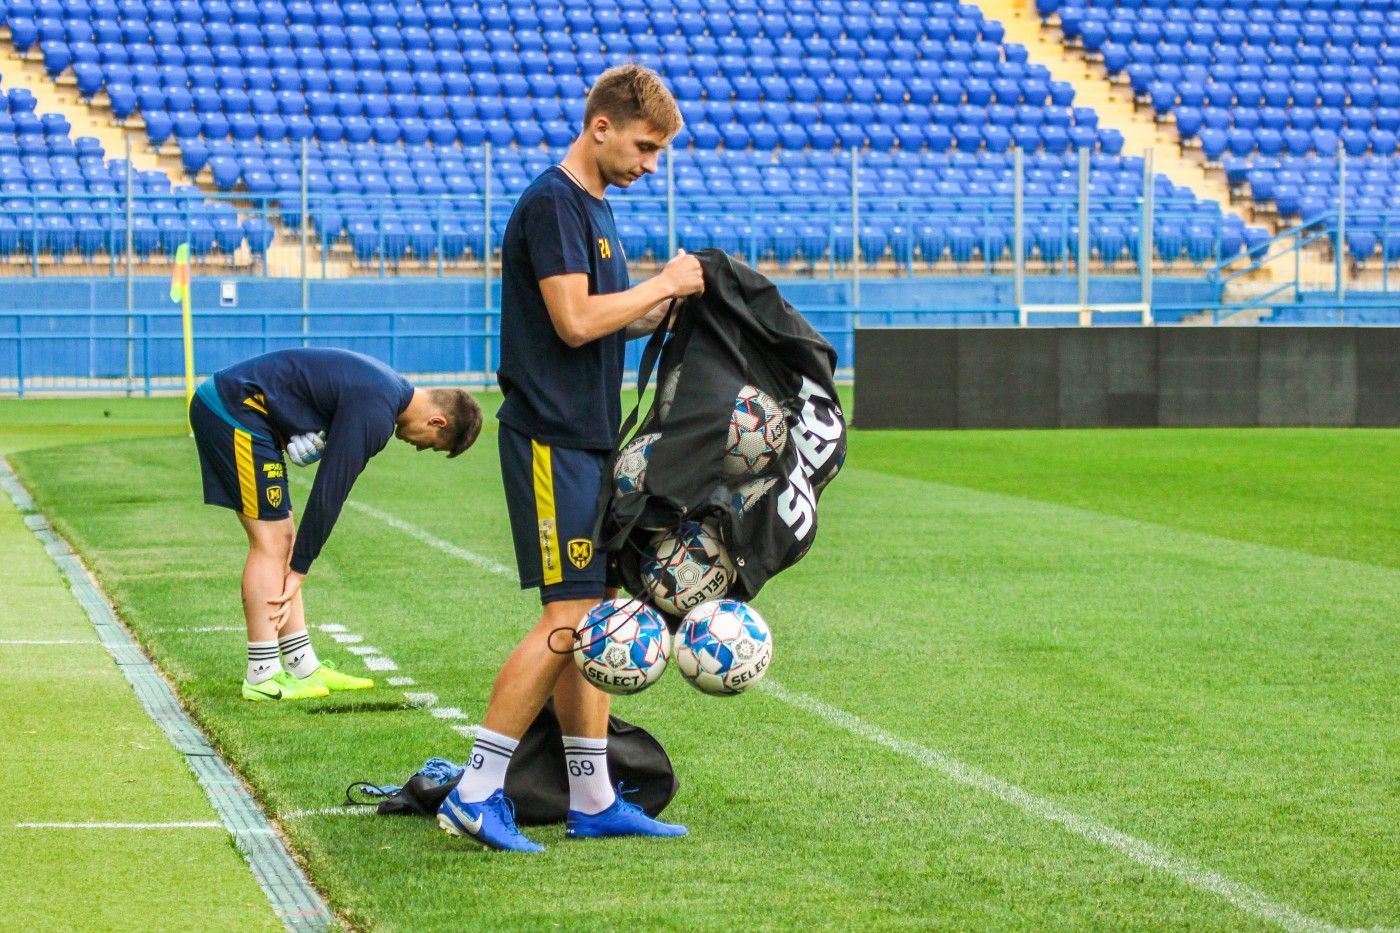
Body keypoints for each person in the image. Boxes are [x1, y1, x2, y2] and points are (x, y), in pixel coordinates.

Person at [436, 65, 704, 852]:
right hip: (551, 439)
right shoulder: (555, 201)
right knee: (566, 619)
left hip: (586, 439)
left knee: (590, 619)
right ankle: (477, 789)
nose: (650, 163)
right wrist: (659, 281)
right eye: (645, 145)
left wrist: (664, 301)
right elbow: (576, 319)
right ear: (601, 127)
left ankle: (592, 795)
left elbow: (606, 322)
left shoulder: (596, 209)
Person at [189, 347, 482, 701]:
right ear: (438, 422)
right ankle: (261, 675)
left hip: (246, 410)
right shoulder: (378, 412)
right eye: (432, 445)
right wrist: (299, 569)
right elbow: (330, 491)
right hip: (233, 408)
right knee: (272, 542)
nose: (419, 449)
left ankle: (302, 666)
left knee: (282, 537)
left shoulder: (387, 390)